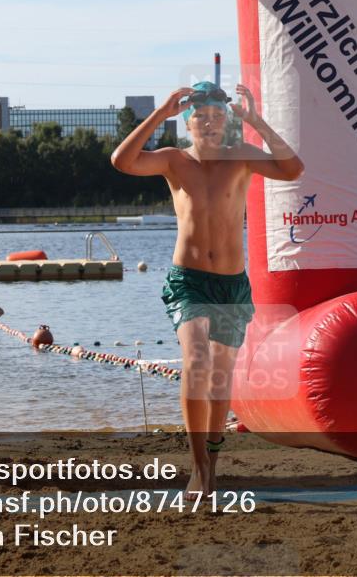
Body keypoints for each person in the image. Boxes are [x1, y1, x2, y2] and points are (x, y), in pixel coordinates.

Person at [110, 80, 304, 497]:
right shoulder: (173, 161)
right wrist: (159, 113)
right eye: (200, 116)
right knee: (196, 359)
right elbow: (121, 161)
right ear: (188, 122)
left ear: (226, 121)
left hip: (232, 284)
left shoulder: (241, 158)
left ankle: (212, 466)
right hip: (189, 280)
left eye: (217, 116)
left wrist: (257, 122)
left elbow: (292, 169)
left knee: (219, 379)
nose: (209, 123)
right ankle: (197, 467)